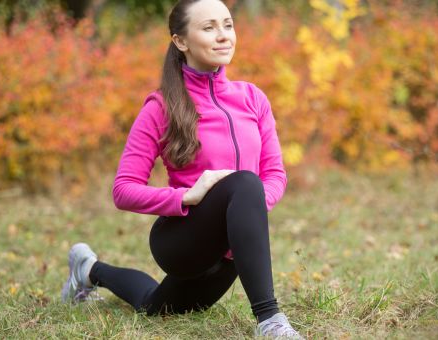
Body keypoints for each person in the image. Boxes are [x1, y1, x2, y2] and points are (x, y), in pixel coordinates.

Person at [61, 0, 304, 338]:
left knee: (153, 307)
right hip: (181, 241)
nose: (223, 36)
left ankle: (88, 269)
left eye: (228, 25)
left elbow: (275, 173)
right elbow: (123, 189)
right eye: (209, 28)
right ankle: (270, 321)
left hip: (231, 252)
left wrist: (247, 212)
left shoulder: (253, 99)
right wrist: (185, 196)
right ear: (180, 41)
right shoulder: (160, 107)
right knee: (246, 182)